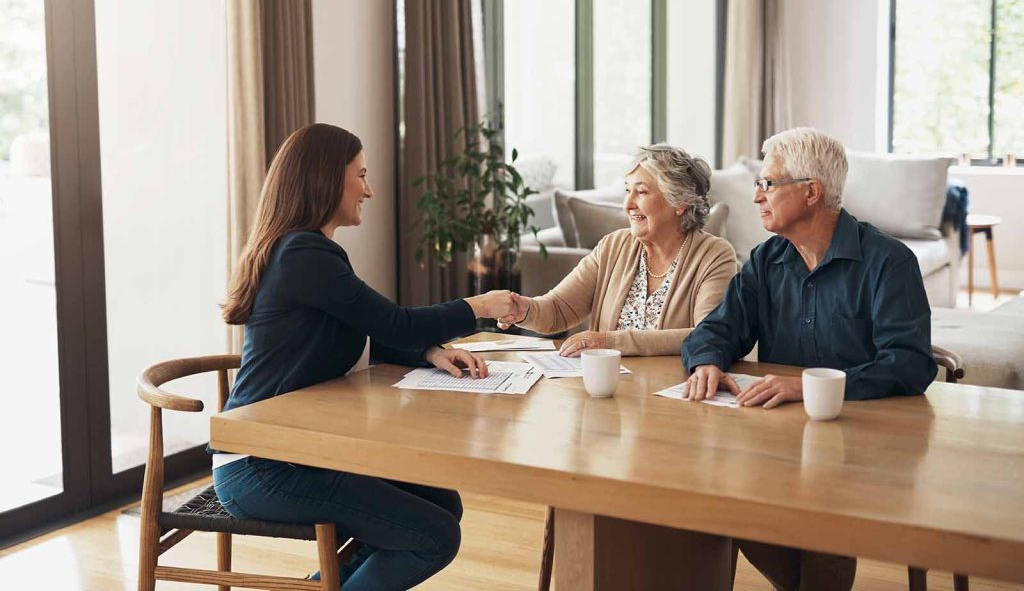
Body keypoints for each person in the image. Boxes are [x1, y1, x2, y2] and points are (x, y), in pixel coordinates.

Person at [213, 124, 519, 591]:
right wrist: (478, 307)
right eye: (361, 175)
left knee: (442, 505)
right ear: (325, 179)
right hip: (265, 464)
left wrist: (430, 351)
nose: (370, 190)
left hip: (295, 454)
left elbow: (366, 333)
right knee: (432, 535)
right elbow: (395, 321)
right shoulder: (304, 254)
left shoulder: (304, 250)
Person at [682, 127, 937, 591]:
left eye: (768, 183)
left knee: (825, 512)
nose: (757, 196)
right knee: (715, 497)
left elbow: (910, 363)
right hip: (781, 442)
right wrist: (707, 361)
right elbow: (717, 330)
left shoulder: (889, 262)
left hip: (866, 446)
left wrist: (810, 386)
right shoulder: (765, 260)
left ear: (812, 192)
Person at [499, 144, 737, 356]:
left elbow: (708, 334)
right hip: (608, 387)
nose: (627, 204)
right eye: (627, 190)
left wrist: (609, 341)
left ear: (680, 202)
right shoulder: (613, 246)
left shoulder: (714, 255)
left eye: (641, 192)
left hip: (672, 391)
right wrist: (524, 310)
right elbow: (559, 309)